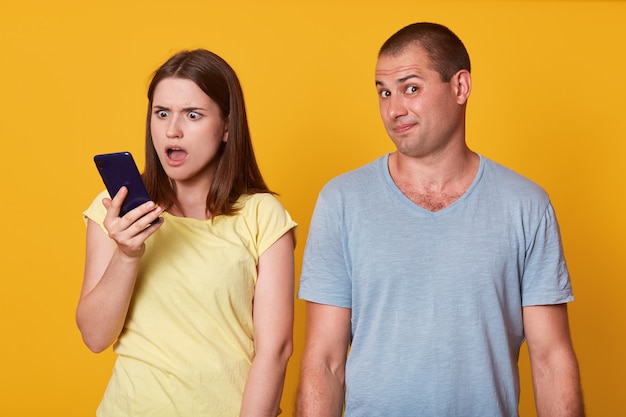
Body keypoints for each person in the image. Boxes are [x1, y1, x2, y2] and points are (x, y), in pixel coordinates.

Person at [296, 22, 584, 417]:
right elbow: (324, 362)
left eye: (410, 88)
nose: (394, 109)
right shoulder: (341, 201)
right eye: (384, 92)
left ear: (460, 87)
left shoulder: (526, 205)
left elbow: (551, 360)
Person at [77, 49, 297, 417]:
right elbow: (95, 337)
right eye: (162, 113)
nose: (172, 130)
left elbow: (276, 349)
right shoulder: (114, 209)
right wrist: (127, 254)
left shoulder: (262, 215)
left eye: (192, 115)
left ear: (227, 127)